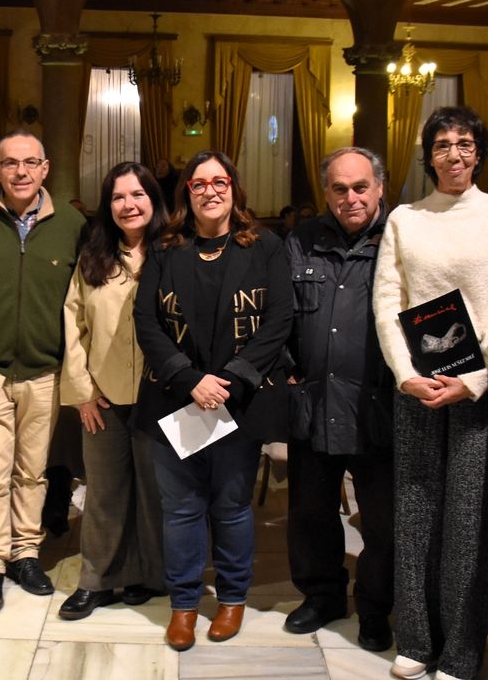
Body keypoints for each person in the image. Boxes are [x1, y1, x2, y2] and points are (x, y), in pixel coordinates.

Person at [372, 106, 488, 680]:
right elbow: (388, 302)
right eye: (442, 145)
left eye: (464, 144)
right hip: (414, 383)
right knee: (414, 511)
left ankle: (460, 654)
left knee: (469, 520)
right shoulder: (405, 219)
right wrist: (405, 373)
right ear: (428, 154)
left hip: (478, 390)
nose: (454, 154)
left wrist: (474, 379)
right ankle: (414, 639)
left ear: (479, 151)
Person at [134, 150, 292, 651]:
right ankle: (183, 606)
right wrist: (188, 379)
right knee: (181, 508)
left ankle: (231, 599)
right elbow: (147, 322)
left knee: (230, 506)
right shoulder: (166, 248)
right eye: (198, 183)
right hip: (175, 397)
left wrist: (229, 380)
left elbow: (279, 321)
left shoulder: (265, 245)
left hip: (237, 400)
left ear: (233, 188)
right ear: (186, 193)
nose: (209, 190)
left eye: (218, 181)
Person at [0, 130, 87, 614]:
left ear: (45, 168)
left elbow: (83, 300)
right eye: (10, 163)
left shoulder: (72, 224)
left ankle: (26, 553)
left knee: (33, 472)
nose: (21, 172)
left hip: (46, 370)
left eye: (30, 163)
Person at [283, 147, 395, 652]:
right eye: (339, 189)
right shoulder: (300, 241)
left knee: (383, 521)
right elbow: (277, 318)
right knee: (311, 512)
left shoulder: (401, 240)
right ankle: (322, 596)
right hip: (312, 399)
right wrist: (283, 370)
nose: (350, 198)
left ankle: (375, 608)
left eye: (360, 187)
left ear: (380, 188)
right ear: (326, 192)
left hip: (381, 407)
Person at [58, 162, 168, 621]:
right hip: (103, 396)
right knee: (103, 492)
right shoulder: (93, 259)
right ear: (109, 205)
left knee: (156, 492)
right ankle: (97, 580)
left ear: (153, 201)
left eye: (138, 194)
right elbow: (73, 322)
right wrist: (82, 390)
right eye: (119, 196)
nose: (129, 204)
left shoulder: (174, 253)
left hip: (162, 397)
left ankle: (149, 575)